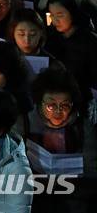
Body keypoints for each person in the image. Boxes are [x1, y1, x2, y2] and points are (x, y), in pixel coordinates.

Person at [26, 68, 97, 213]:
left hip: (75, 200)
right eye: (51, 105)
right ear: (40, 102)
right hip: (36, 200)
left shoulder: (83, 128)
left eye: (65, 105)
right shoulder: (26, 122)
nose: (58, 111)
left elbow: (91, 174)